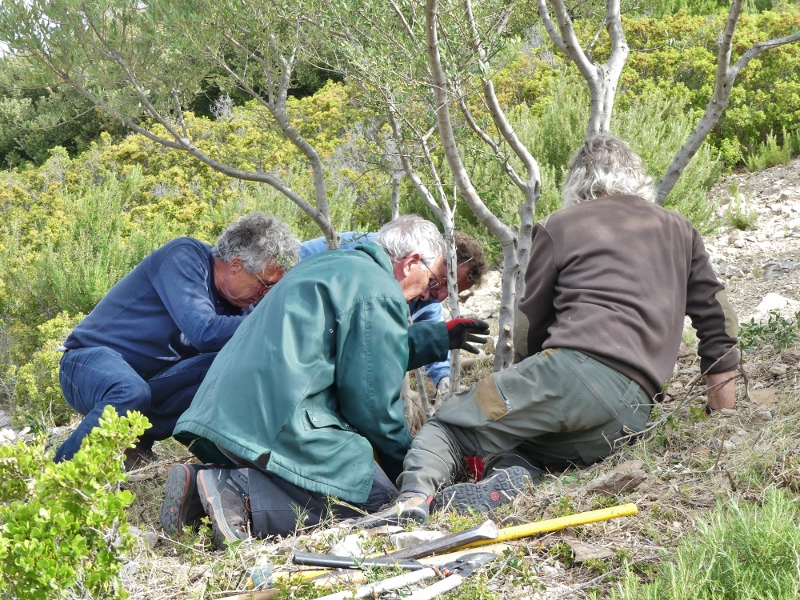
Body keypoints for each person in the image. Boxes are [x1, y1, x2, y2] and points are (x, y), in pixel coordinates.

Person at [358, 135, 740, 526]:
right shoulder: (680, 228)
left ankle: (411, 503)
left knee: (449, 426)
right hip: (634, 412)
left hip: (572, 373)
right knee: (528, 443)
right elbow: (718, 320)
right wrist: (721, 417)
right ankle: (511, 478)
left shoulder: (562, 224)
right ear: (637, 177)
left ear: (576, 182)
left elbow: (529, 325)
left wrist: (523, 379)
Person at [161, 215, 489, 547]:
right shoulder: (378, 289)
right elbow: (373, 406)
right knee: (379, 501)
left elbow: (365, 348)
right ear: (411, 263)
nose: (431, 293)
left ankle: (199, 495)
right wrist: (410, 470)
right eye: (433, 281)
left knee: (336, 482)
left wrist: (435, 339)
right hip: (270, 424)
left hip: (221, 418)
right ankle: (233, 491)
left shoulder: (331, 266)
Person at [54, 212, 299, 465]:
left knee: (234, 369)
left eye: (274, 289)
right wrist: (274, 320)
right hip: (86, 364)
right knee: (130, 390)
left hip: (153, 383)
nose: (265, 295)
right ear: (236, 265)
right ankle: (60, 483)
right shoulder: (184, 255)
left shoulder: (244, 303)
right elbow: (205, 331)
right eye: (265, 284)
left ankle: (217, 465)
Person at [299, 230, 486, 397]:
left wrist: (444, 379)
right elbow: (293, 257)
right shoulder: (365, 247)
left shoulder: (427, 297)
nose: (440, 297)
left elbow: (427, 332)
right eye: (444, 282)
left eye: (452, 294)